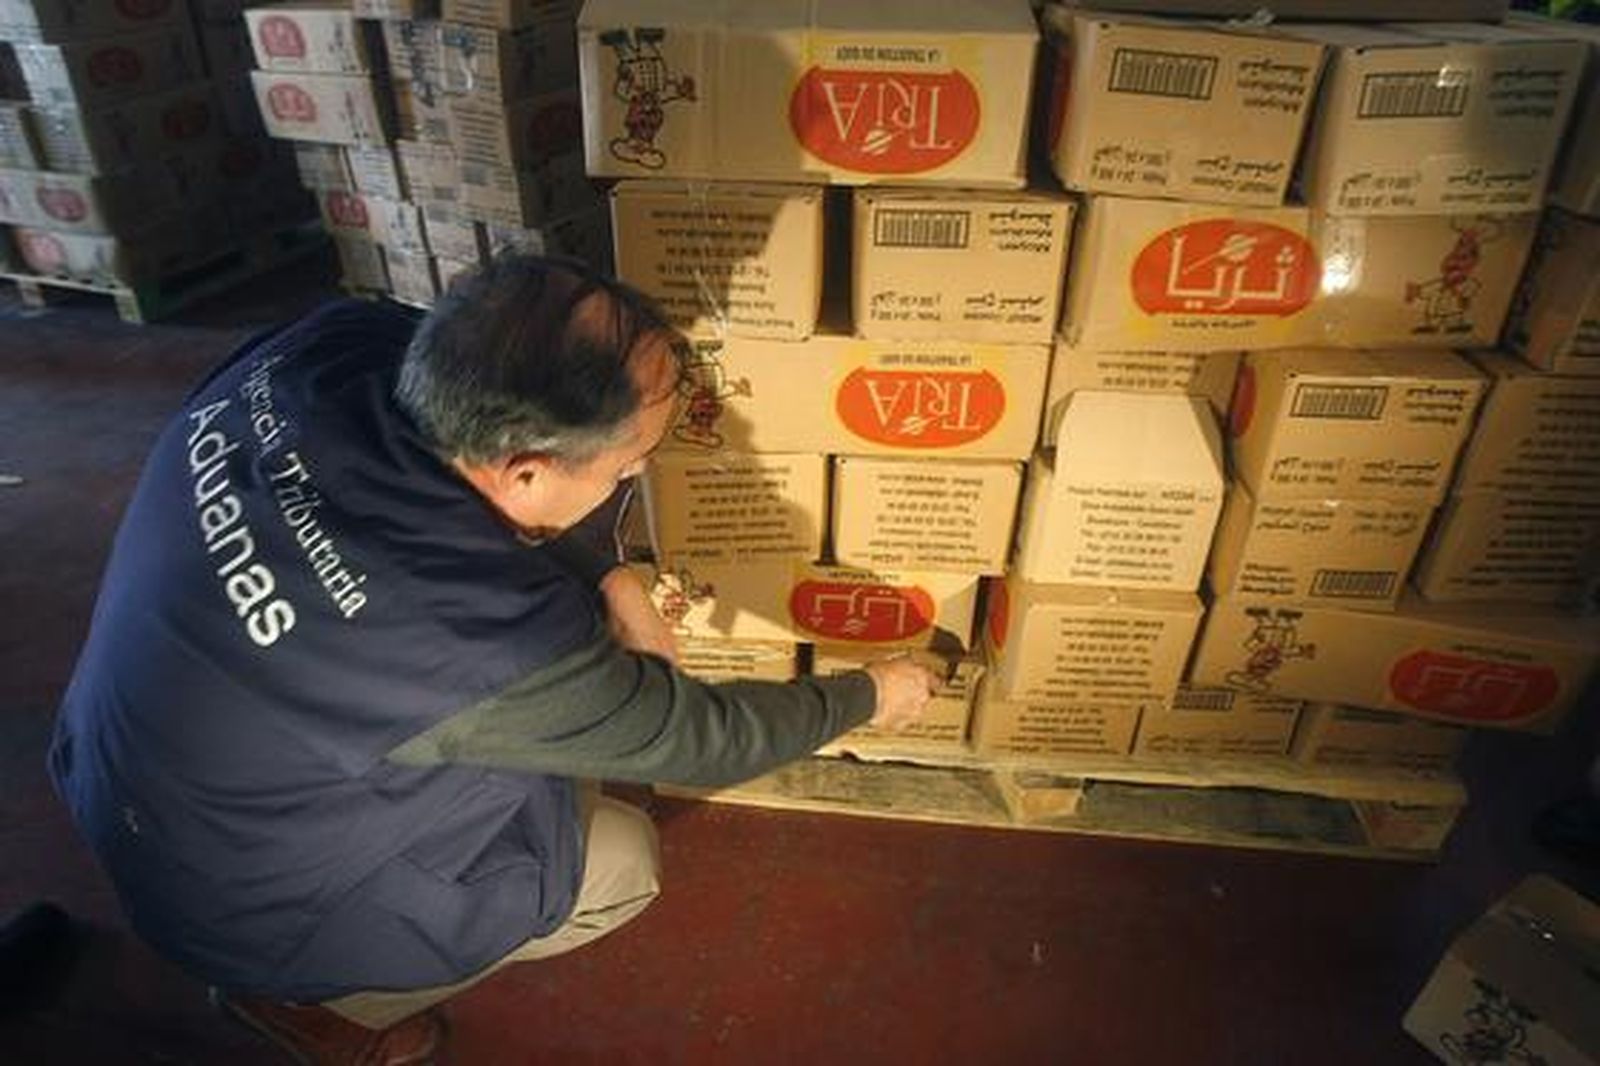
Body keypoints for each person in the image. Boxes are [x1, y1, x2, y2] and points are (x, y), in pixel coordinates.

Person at [48, 255, 939, 1065]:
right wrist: (870, 694)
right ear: (523, 472)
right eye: (629, 466)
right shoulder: (482, 639)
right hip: (233, 897)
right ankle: (311, 1009)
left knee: (522, 747)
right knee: (620, 863)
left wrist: (613, 571)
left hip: (122, 769)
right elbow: (700, 740)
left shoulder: (327, 347)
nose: (630, 482)